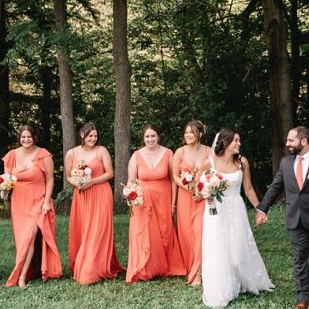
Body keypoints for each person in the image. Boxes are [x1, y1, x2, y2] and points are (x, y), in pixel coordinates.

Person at [256, 126, 309, 309]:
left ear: (303, 141)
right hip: (294, 218)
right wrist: (262, 209)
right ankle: (302, 295)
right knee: (299, 256)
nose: (287, 144)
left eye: (290, 140)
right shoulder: (285, 163)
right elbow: (275, 187)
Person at [201, 128, 274, 308]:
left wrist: (260, 210)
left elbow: (248, 189)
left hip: (236, 209)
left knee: (238, 247)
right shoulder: (209, 162)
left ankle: (244, 280)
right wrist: (206, 193)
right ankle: (223, 286)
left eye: (239, 140)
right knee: (218, 247)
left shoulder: (242, 162)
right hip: (216, 211)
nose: (239, 144)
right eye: (236, 140)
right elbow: (197, 184)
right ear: (225, 143)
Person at [3, 125, 62, 287]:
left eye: (29, 137)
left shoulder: (44, 155)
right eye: (23, 137)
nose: (26, 140)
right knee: (22, 239)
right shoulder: (12, 155)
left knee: (30, 237)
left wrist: (46, 202)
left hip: (38, 199)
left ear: (34, 137)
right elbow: (6, 179)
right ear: (19, 138)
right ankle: (29, 270)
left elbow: (50, 179)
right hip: (19, 202)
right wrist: (3, 188)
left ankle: (21, 277)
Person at [126, 124, 186, 282]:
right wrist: (131, 196)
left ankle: (165, 266)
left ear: (158, 136)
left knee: (165, 232)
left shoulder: (168, 153)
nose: (150, 139)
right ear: (143, 138)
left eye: (153, 136)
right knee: (145, 233)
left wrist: (174, 203)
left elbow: (174, 180)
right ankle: (146, 268)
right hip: (142, 201)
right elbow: (131, 181)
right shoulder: (136, 155)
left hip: (164, 198)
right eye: (147, 136)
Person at [66, 122, 124, 284]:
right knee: (84, 229)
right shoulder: (71, 153)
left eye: (95, 136)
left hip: (100, 193)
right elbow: (68, 176)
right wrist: (76, 183)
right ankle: (83, 263)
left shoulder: (102, 150)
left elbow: (110, 173)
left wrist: (92, 182)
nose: (93, 138)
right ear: (82, 135)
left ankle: (92, 269)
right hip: (82, 195)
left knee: (97, 229)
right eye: (90, 135)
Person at [172, 120, 210, 286]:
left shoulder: (209, 151)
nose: (187, 135)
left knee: (200, 233)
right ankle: (191, 267)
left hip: (202, 199)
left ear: (200, 134)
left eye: (191, 132)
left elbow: (213, 176)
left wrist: (202, 192)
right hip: (185, 198)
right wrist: (187, 188)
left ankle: (199, 273)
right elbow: (174, 176)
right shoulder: (180, 152)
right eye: (186, 132)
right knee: (187, 235)